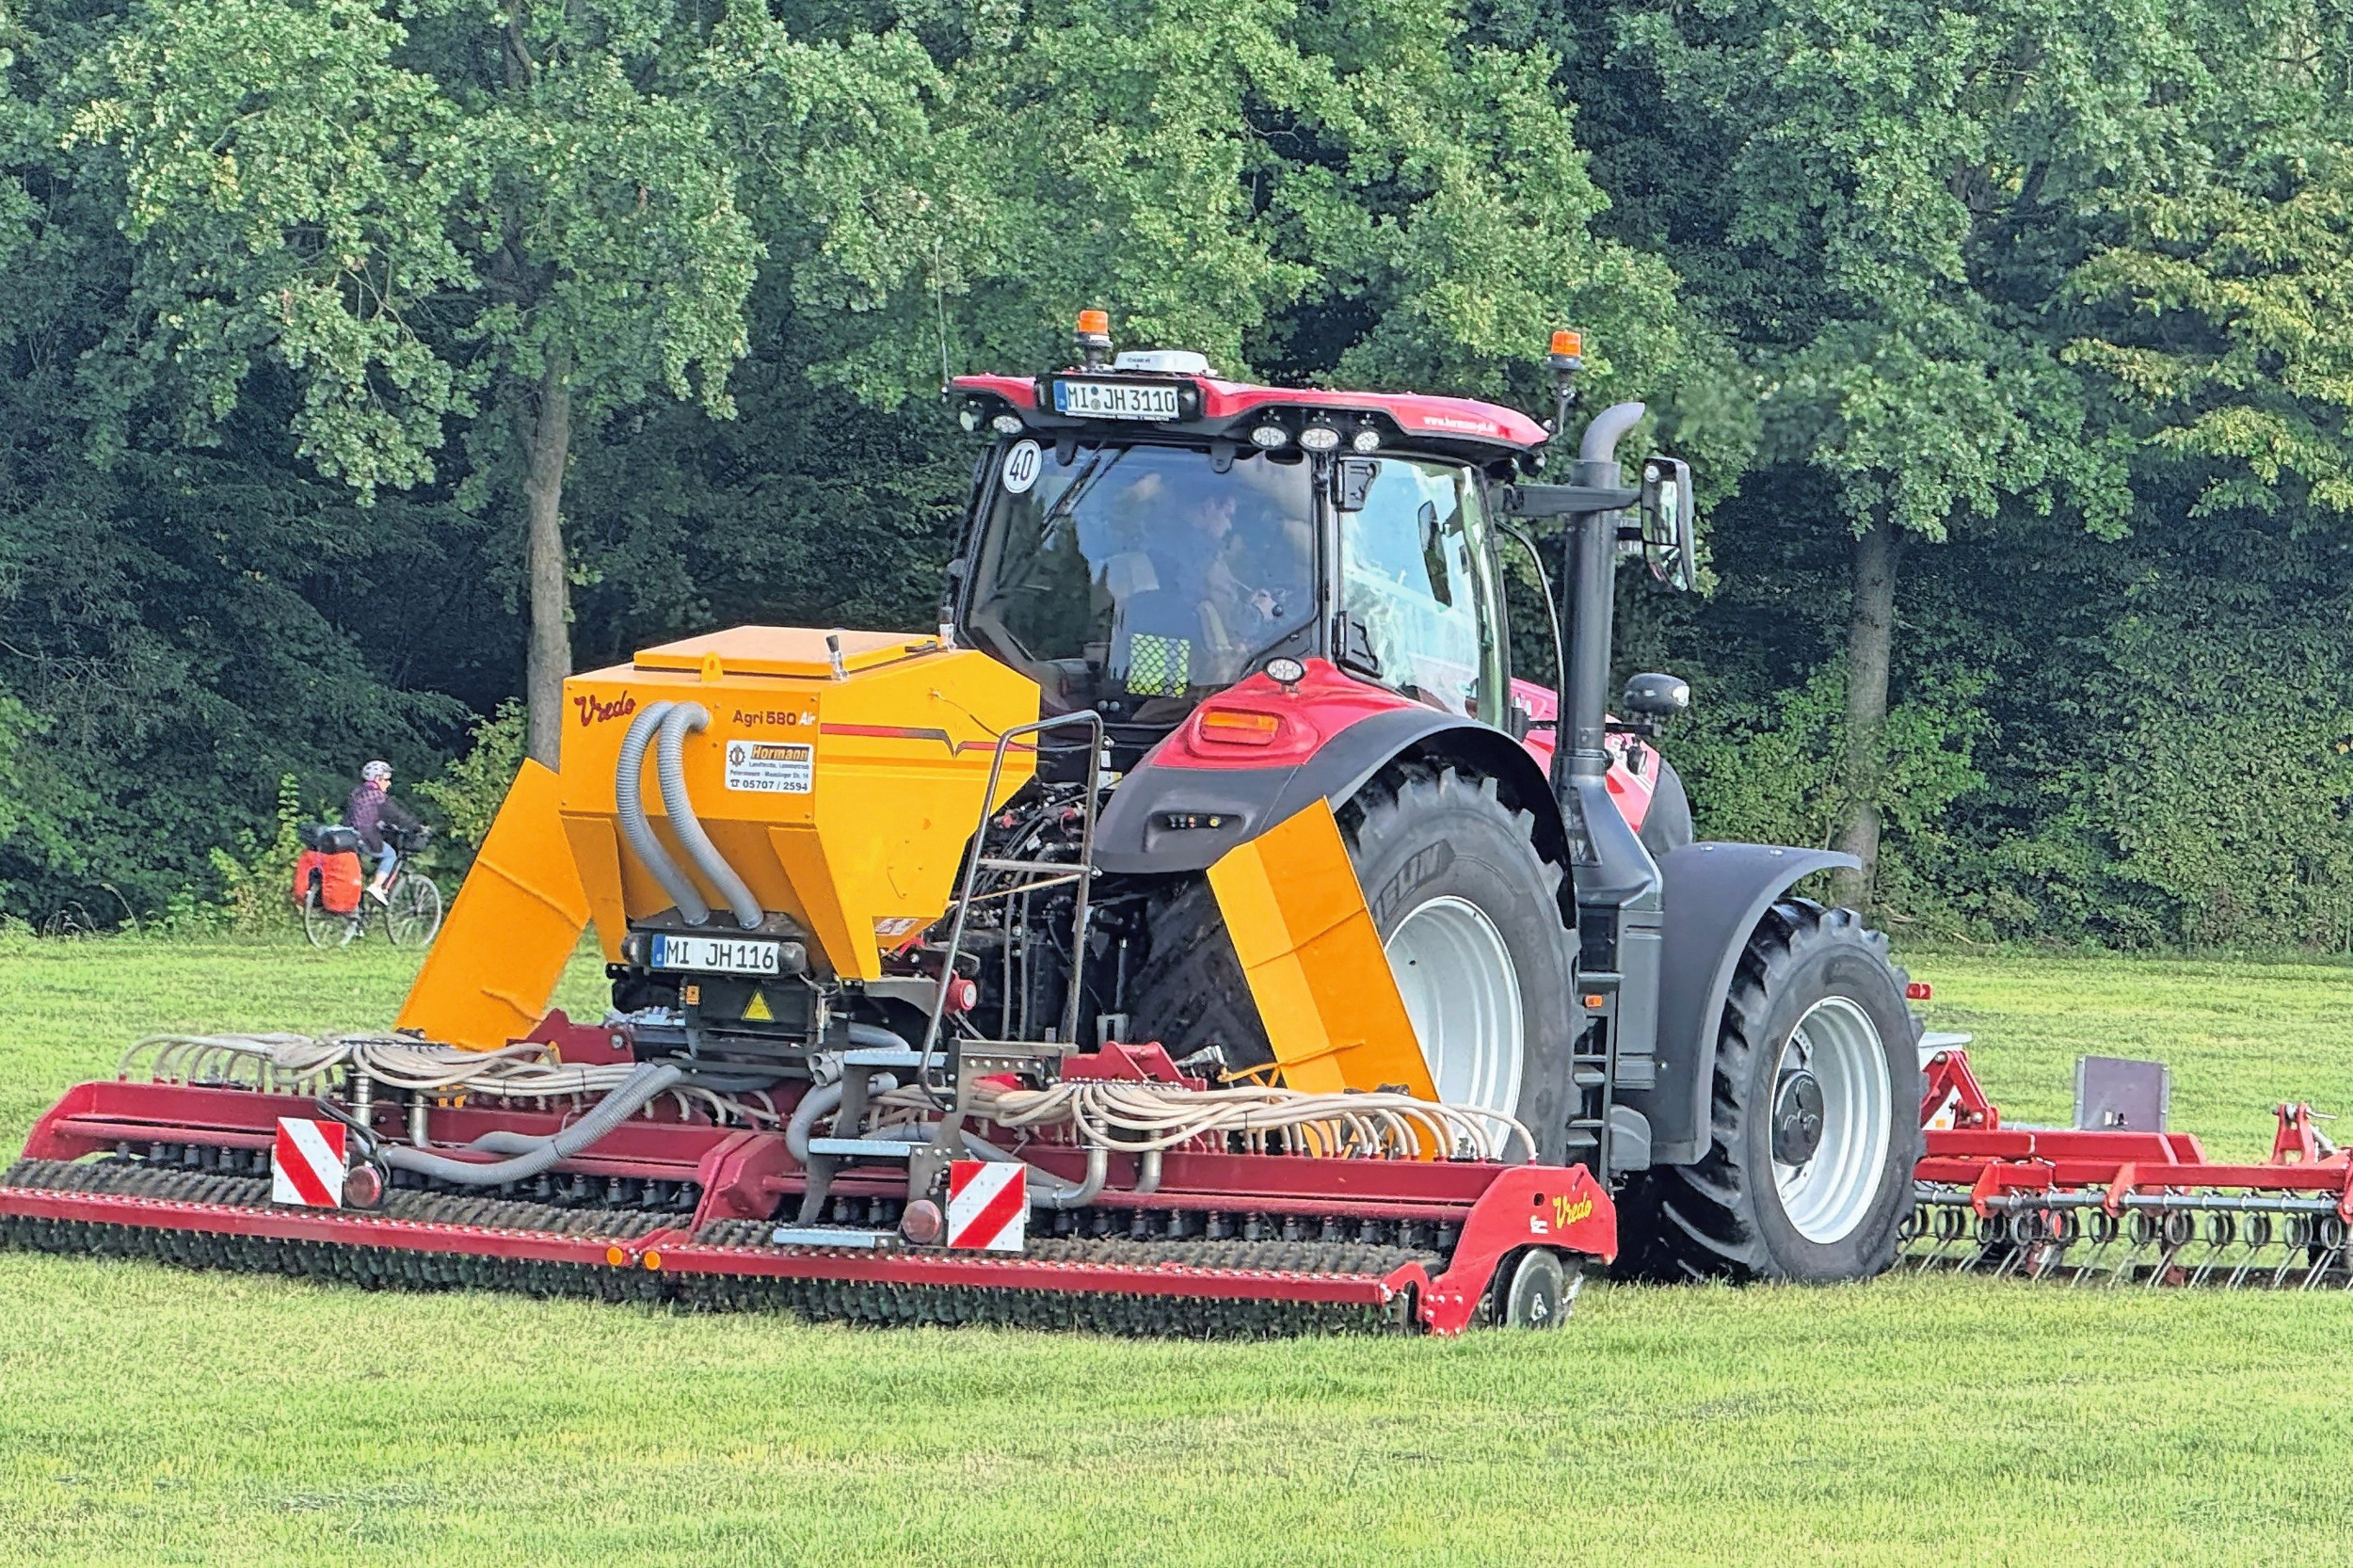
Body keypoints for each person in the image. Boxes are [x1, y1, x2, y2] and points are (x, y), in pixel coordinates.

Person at [345, 760, 423, 904]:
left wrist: (383, 824)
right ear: (377, 779)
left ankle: (360, 905)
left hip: (350, 836)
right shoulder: (377, 796)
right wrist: (415, 826)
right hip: (365, 836)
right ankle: (376, 886)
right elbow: (395, 814)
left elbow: (365, 815)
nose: (389, 783)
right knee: (390, 854)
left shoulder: (357, 793)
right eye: (386, 780)